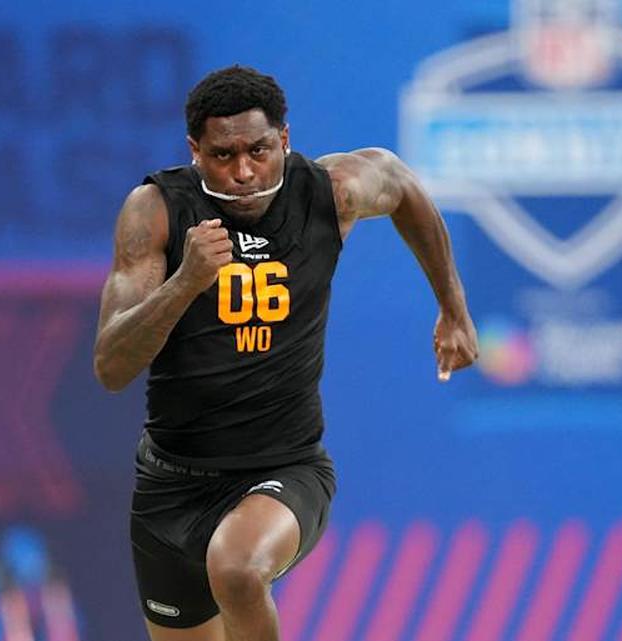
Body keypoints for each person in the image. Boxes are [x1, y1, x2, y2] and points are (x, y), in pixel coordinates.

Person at [92, 65, 478, 641]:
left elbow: (400, 183)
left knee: (239, 569)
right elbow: (111, 367)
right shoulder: (156, 212)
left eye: (259, 151)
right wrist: (185, 281)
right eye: (223, 156)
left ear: (286, 140)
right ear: (195, 151)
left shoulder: (329, 192)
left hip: (284, 470)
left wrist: (453, 307)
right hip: (170, 487)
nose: (244, 172)